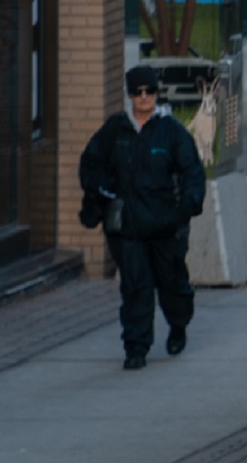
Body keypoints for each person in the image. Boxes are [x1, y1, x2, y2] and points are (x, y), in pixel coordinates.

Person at [78, 66, 208, 370]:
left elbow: (192, 172)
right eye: (138, 92)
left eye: (149, 91)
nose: (144, 97)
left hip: (165, 223)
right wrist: (103, 191)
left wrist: (186, 206)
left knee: (172, 283)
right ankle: (136, 346)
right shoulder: (115, 130)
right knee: (136, 285)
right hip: (128, 226)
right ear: (130, 94)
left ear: (156, 93)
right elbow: (91, 162)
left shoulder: (172, 131)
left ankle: (178, 323)